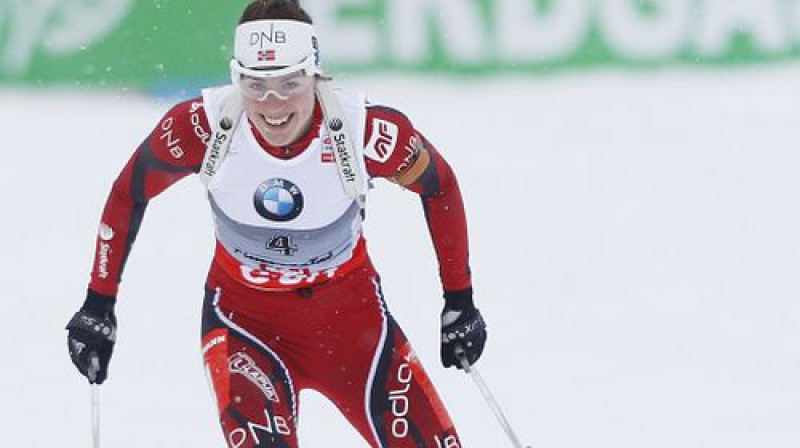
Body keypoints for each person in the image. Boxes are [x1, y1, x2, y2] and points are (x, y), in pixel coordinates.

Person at [65, 1, 487, 447]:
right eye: (256, 85)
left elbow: (439, 186)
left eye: (290, 83)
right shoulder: (201, 127)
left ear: (315, 73)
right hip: (245, 327)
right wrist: (98, 304)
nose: (273, 104)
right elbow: (128, 193)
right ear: (236, 78)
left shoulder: (364, 130)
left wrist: (459, 300)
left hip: (354, 329)